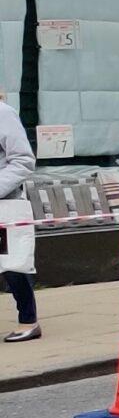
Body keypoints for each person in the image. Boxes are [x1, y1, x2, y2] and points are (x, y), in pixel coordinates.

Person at [0, 93, 37, 342]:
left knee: (12, 264)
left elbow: (23, 160)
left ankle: (28, 320)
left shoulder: (2, 113)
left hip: (4, 203)